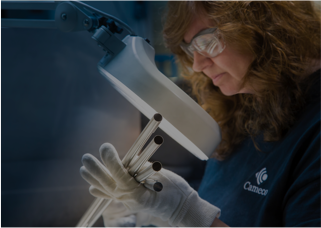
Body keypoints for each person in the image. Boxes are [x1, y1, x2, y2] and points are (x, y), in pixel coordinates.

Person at [80, 0, 321, 227]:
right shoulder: (240, 103)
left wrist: (187, 212)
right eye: (189, 49)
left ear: (264, 23)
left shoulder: (313, 130)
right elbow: (225, 208)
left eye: (205, 42)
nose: (197, 64)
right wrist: (152, 216)